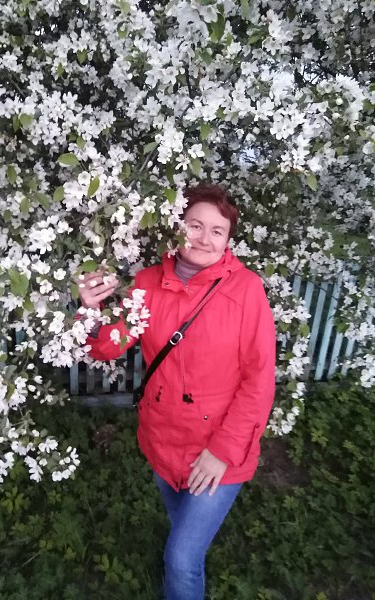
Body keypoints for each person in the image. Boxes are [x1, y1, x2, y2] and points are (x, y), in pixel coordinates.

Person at [77, 184, 276, 600]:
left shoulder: (246, 290)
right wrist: (91, 312)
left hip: (218, 449)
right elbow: (110, 345)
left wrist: (222, 451)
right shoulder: (148, 283)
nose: (204, 239)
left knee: (182, 560)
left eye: (217, 231)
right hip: (162, 440)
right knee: (181, 530)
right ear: (176, 228)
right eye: (195, 226)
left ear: (228, 239)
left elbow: (258, 382)